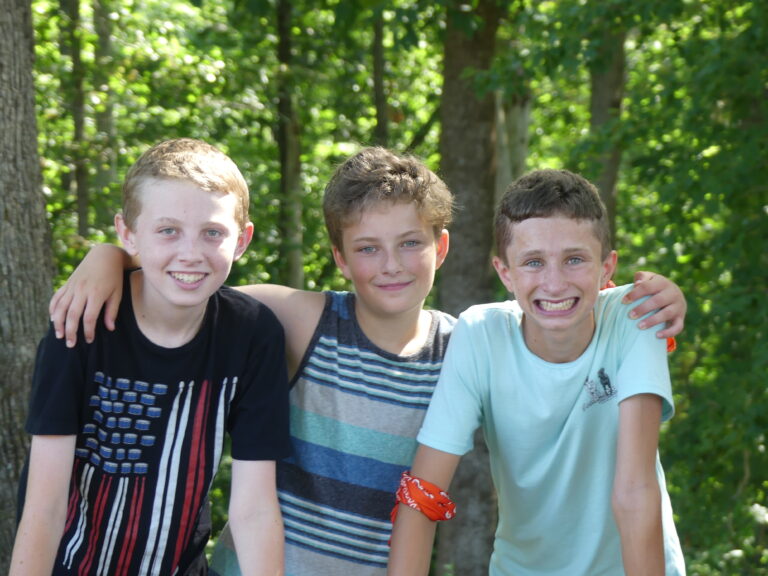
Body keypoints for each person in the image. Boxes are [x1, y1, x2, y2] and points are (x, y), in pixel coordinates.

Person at [47, 149, 687, 576]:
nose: (391, 265)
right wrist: (110, 256)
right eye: (368, 248)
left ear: (440, 247)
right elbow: (189, 276)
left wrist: (654, 297)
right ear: (340, 257)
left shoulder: (459, 345)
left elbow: (561, 297)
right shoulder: (301, 319)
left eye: (411, 244)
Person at [10, 138, 290, 576]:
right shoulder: (82, 324)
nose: (191, 253)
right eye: (168, 230)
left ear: (242, 240)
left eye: (212, 232)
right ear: (127, 233)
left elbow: (253, 509)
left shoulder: (252, 335)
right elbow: (43, 507)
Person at [387, 169, 686, 576]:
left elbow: (634, 492)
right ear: (505, 272)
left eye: (575, 259)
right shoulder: (480, 333)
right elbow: (422, 494)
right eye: (533, 262)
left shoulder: (637, 315)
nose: (555, 282)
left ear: (606, 266)